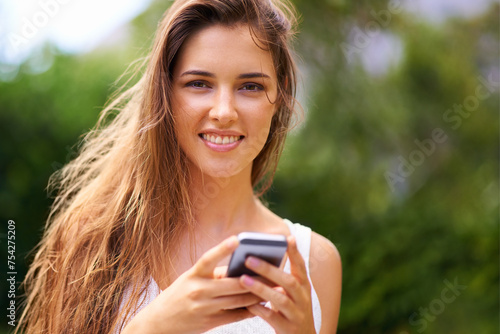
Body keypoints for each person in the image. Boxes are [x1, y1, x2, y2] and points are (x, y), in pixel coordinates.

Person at [17, 0, 342, 333]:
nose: (224, 111)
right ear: (165, 94)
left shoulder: (316, 261)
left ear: (281, 95)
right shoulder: (93, 239)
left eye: (251, 86)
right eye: (199, 83)